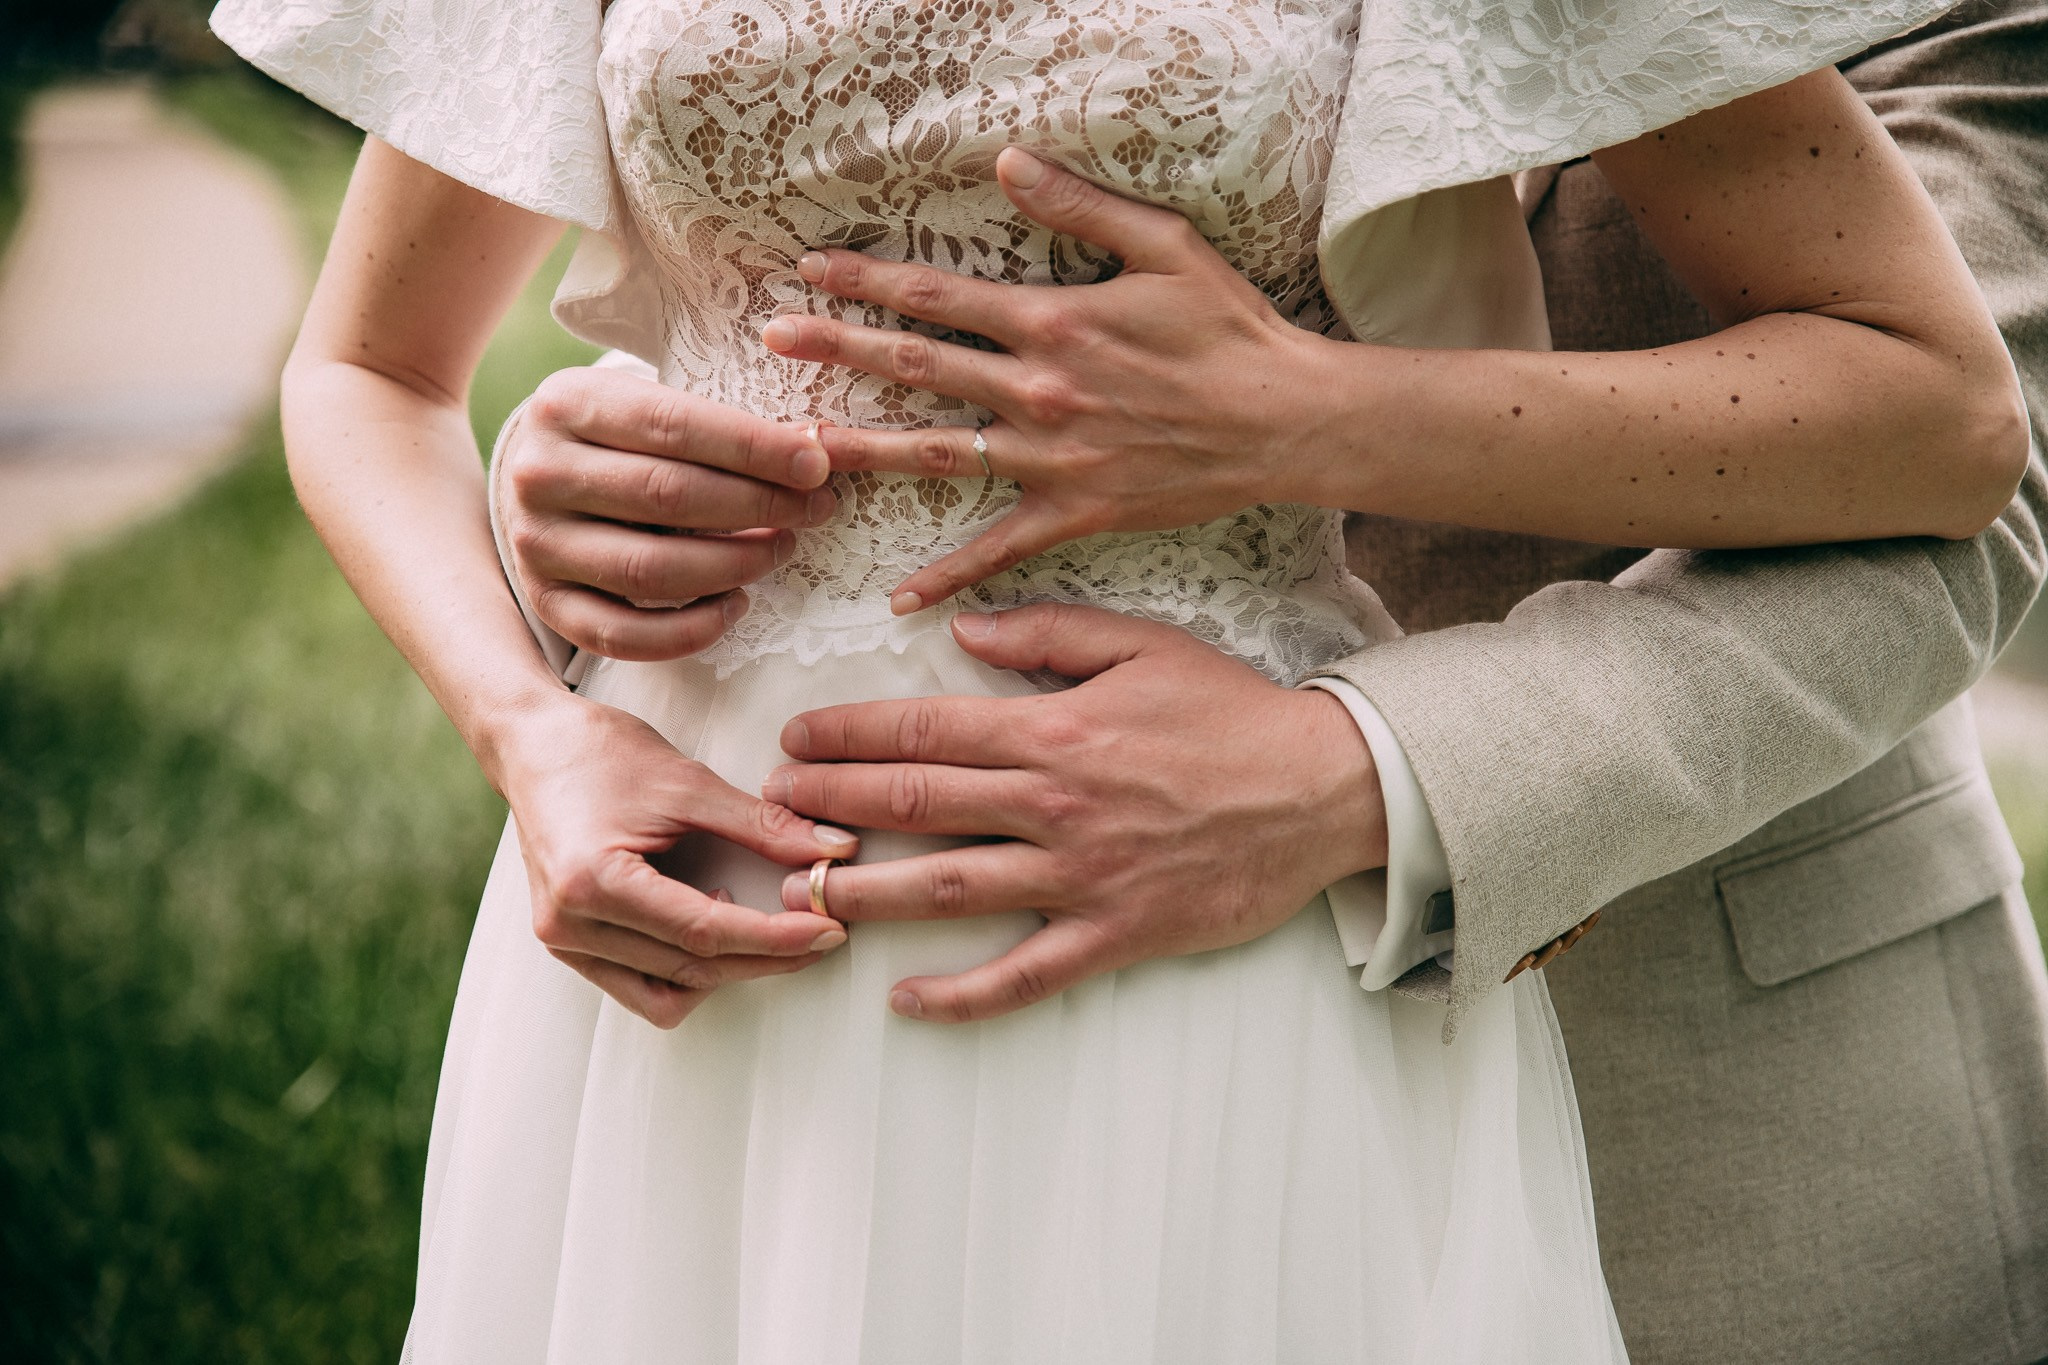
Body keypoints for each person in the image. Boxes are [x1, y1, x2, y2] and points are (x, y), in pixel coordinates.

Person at [211, 0, 2030, 1360]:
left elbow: (1965, 450)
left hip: (1329, 939)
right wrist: (544, 662)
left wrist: (1306, 463)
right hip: (724, 909)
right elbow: (376, 363)